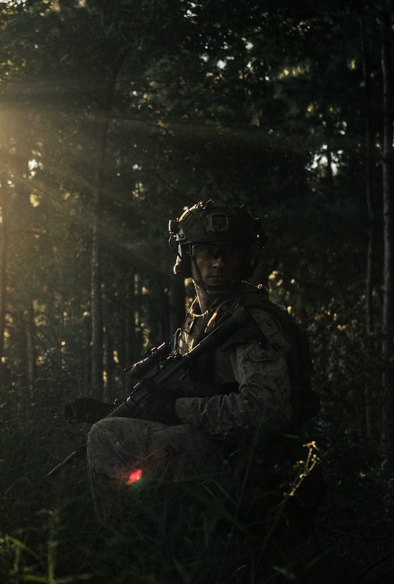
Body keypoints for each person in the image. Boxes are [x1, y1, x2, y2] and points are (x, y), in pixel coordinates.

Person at [86, 199, 300, 523]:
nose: (218, 262)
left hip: (247, 465)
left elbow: (267, 410)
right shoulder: (205, 315)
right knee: (112, 428)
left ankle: (120, 547)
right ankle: (160, 540)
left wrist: (177, 408)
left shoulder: (249, 320)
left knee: (104, 438)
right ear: (188, 257)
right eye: (206, 251)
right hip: (220, 450)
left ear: (244, 258)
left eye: (229, 252)